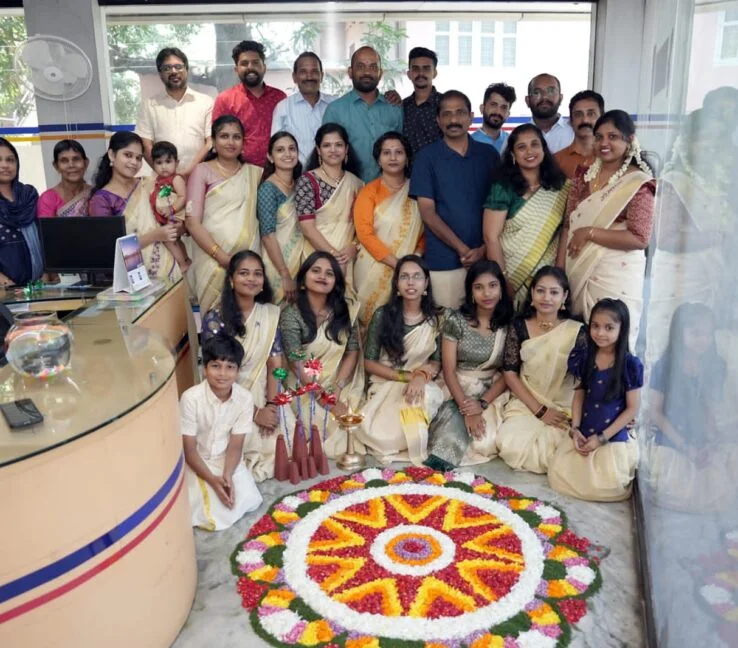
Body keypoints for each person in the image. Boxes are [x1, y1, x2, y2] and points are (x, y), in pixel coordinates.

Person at [559, 110, 655, 347]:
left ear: (629, 140)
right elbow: (569, 224)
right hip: (578, 268)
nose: (604, 143)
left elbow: (640, 238)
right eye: (599, 136)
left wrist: (590, 233)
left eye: (613, 137)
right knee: (578, 339)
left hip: (615, 274)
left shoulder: (639, 183)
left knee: (613, 341)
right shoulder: (583, 175)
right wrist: (559, 270)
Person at [201, 250, 287, 482]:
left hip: (263, 390)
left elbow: (276, 364)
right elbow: (215, 374)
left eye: (257, 274)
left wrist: (272, 405)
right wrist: (255, 412)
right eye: (244, 273)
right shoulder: (214, 318)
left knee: (284, 441)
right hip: (225, 394)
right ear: (231, 279)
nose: (251, 279)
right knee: (231, 446)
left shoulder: (269, 315)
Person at [410, 90, 499, 309]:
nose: (453, 120)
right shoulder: (425, 158)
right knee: (447, 322)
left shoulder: (489, 155)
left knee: (486, 322)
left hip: (487, 259)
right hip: (444, 262)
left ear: (471, 117)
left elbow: (500, 208)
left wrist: (483, 249)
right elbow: (427, 213)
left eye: (460, 113)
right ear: (438, 120)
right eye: (447, 114)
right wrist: (463, 250)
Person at [548, 299, 642, 501]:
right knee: (561, 475)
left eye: (609, 328)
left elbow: (632, 408)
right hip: (586, 428)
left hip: (611, 435)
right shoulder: (585, 357)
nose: (600, 333)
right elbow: (579, 394)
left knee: (606, 486)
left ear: (622, 329)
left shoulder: (629, 364)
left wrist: (602, 438)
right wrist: (575, 429)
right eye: (595, 326)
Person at [647, 303, 738, 512]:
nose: (703, 340)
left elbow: (709, 407)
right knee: (677, 490)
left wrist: (711, 440)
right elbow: (655, 413)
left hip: (699, 438)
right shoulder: (665, 366)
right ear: (680, 333)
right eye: (695, 333)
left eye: (708, 334)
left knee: (723, 480)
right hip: (672, 439)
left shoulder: (716, 365)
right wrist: (685, 447)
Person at [425, 260, 514, 471]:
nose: (487, 293)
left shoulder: (509, 324)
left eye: (493, 285)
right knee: (449, 434)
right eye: (479, 287)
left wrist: (481, 404)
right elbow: (448, 370)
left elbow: (509, 373)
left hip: (492, 390)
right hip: (456, 386)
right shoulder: (456, 320)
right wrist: (468, 410)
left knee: (484, 442)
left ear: (501, 289)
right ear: (471, 292)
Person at [496, 266, 585, 474]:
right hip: (527, 402)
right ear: (532, 294)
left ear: (564, 297)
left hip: (563, 405)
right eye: (541, 291)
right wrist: (540, 410)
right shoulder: (519, 326)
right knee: (511, 446)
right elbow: (509, 373)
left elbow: (586, 378)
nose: (546, 298)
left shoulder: (577, 331)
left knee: (562, 450)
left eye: (554, 292)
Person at [357, 255, 444, 465]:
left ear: (426, 283)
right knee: (382, 437)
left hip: (423, 382)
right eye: (404, 277)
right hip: (386, 382)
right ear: (396, 283)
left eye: (417, 277)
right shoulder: (383, 315)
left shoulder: (437, 318)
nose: (410, 282)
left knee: (423, 397)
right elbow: (369, 362)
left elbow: (436, 361)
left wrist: (420, 377)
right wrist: (407, 377)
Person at [279, 252, 363, 458]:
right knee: (320, 427)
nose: (322, 277)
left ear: (336, 282)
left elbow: (352, 352)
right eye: (316, 271)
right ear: (303, 280)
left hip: (338, 381)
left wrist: (337, 388)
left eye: (329, 273)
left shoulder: (345, 311)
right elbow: (295, 362)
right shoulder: (291, 314)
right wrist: (323, 397)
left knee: (357, 421)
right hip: (303, 384)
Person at [180, 334, 263, 531]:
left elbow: (235, 445)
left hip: (227, 461)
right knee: (206, 508)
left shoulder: (245, 398)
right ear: (205, 368)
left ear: (238, 371)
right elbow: (189, 450)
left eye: (230, 367)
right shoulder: (190, 398)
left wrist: (227, 476)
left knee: (246, 499)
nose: (222, 374)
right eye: (216, 366)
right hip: (197, 461)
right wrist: (214, 482)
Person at [483, 123, 570, 308]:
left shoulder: (561, 186)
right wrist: (503, 279)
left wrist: (559, 271)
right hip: (511, 271)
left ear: (543, 149)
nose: (529, 151)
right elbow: (491, 237)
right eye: (521, 147)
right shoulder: (503, 187)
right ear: (513, 154)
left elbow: (565, 229)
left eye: (534, 144)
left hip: (547, 277)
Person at [186, 115, 262, 313]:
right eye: (224, 136)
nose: (230, 142)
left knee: (247, 318)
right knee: (215, 321)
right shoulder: (201, 171)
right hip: (211, 261)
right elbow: (192, 223)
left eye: (236, 137)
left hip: (248, 262)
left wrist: (239, 264)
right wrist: (223, 258)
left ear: (243, 142)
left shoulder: (255, 174)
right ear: (213, 141)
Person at [88, 132, 183, 282]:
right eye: (128, 155)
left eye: (138, 158)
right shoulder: (101, 200)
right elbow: (111, 250)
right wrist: (155, 235)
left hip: (170, 270)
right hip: (132, 280)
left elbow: (174, 213)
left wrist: (178, 226)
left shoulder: (149, 184)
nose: (134, 162)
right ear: (112, 155)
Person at [354, 132, 424, 329]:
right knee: (369, 324)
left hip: (410, 269)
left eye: (398, 152)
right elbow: (364, 233)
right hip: (372, 266)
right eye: (386, 153)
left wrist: (414, 259)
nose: (393, 157)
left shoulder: (417, 190)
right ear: (379, 159)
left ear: (407, 158)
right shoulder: (369, 192)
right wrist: (397, 263)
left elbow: (425, 230)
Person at [295, 123, 363, 287]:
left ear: (346, 149)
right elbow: (307, 227)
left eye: (338, 145)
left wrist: (354, 247)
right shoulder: (307, 181)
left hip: (347, 258)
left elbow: (360, 225)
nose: (333, 150)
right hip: (316, 256)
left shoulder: (357, 183)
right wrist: (333, 256)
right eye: (327, 145)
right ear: (318, 150)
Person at [322, 46, 403, 182]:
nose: (367, 72)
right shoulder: (335, 110)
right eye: (360, 67)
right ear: (350, 72)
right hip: (347, 188)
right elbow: (327, 156)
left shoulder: (394, 108)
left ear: (380, 73)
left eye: (373, 67)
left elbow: (402, 150)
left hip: (388, 189)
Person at [135, 47, 213, 176]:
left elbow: (210, 142)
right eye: (167, 68)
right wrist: (166, 175)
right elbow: (145, 143)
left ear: (186, 69)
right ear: (160, 74)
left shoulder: (206, 102)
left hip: (199, 177)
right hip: (162, 180)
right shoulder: (149, 105)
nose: (174, 71)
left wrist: (189, 172)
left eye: (178, 67)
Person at [212, 40, 286, 167]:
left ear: (264, 67)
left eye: (255, 62)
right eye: (244, 63)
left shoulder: (279, 98)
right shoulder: (225, 99)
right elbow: (218, 139)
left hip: (276, 170)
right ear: (236, 69)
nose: (250, 67)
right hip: (237, 171)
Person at [259, 131, 303, 304]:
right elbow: (267, 234)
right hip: (277, 265)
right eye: (280, 150)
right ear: (270, 157)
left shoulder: (300, 184)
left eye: (292, 149)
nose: (287, 154)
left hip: (300, 259)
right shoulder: (268, 189)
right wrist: (284, 274)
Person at [271, 52, 335, 165]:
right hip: (296, 173)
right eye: (303, 72)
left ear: (321, 76)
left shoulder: (334, 105)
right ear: (294, 77)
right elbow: (276, 147)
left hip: (331, 172)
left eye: (314, 71)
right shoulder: (283, 108)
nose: (309, 77)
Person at [0, 138, 41, 288]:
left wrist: (47, 271)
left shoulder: (29, 195)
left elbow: (43, 235)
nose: (5, 165)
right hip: (5, 290)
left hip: (38, 287)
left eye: (10, 160)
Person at [149, 141, 190, 272]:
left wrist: (172, 209)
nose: (164, 166)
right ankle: (185, 259)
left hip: (175, 215)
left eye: (168, 161)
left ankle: (182, 264)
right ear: (153, 164)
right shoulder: (158, 180)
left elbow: (183, 197)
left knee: (168, 239)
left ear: (176, 163)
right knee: (175, 239)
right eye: (159, 163)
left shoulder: (176, 179)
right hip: (166, 215)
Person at [401, 47, 443, 155]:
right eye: (415, 69)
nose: (420, 73)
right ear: (409, 74)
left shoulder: (445, 104)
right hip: (408, 166)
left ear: (434, 73)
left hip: (439, 165)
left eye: (426, 69)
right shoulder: (402, 106)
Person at [554, 90, 604, 179]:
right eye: (578, 115)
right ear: (570, 121)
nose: (585, 120)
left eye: (591, 114)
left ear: (602, 118)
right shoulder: (556, 161)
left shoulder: (613, 158)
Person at [37, 139, 91, 218]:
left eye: (76, 159)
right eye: (64, 161)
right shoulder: (48, 199)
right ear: (56, 166)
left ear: (86, 163)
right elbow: (46, 226)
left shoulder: (95, 194)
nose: (71, 165)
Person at [525, 74, 574, 154]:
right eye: (536, 92)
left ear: (560, 98)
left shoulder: (574, 132)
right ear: (527, 101)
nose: (544, 97)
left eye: (551, 91)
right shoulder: (517, 136)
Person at [471, 83, 517, 154]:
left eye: (503, 107)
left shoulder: (512, 143)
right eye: (493, 105)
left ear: (508, 114)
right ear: (482, 108)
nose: (498, 112)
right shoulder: (469, 143)